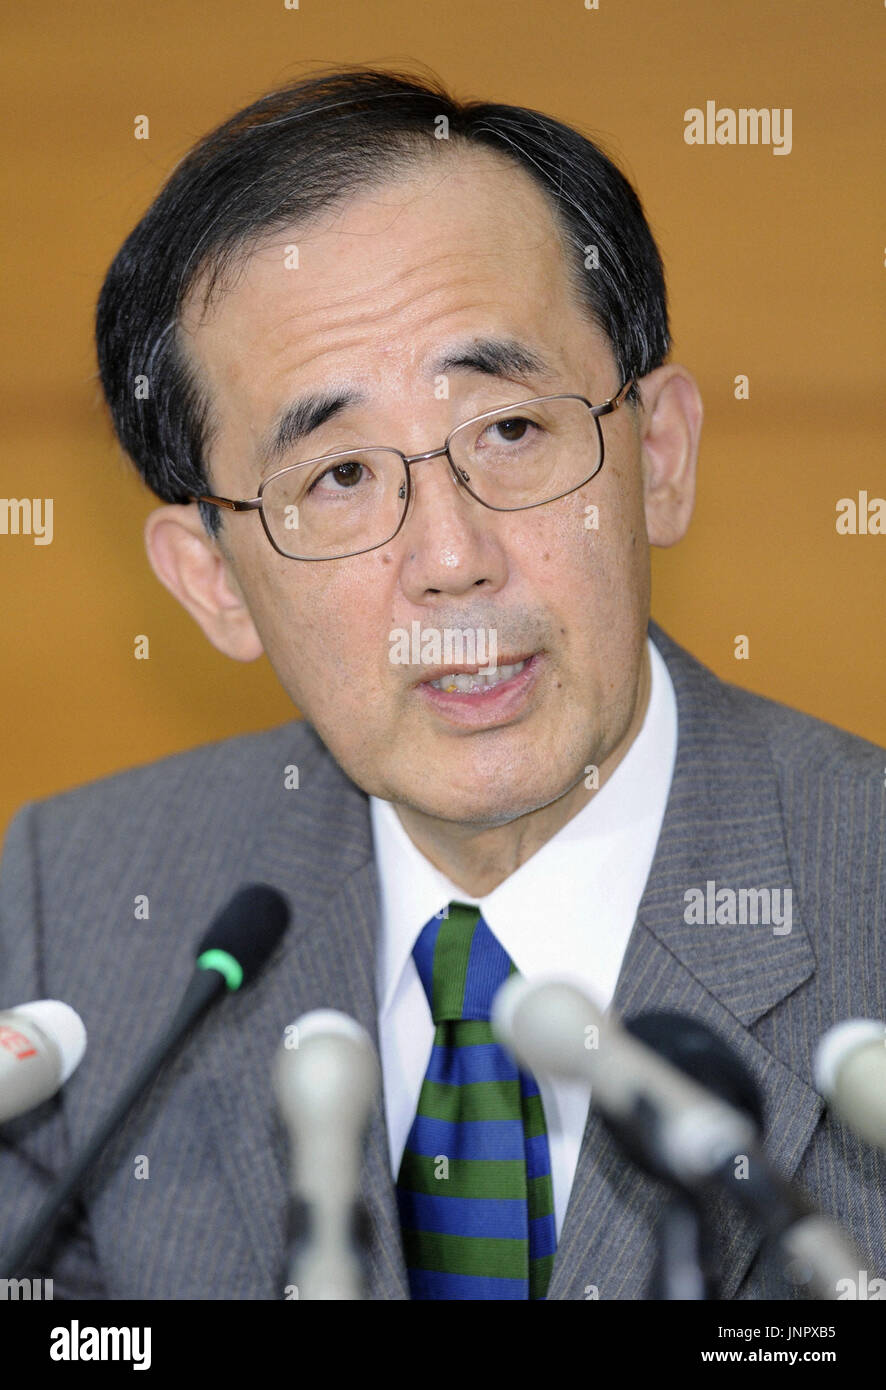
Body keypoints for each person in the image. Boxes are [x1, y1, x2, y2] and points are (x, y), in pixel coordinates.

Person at [1, 67, 883, 1302]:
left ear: (660, 456)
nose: (452, 560)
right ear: (212, 581)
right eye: (340, 476)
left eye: (510, 432)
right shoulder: (78, 908)